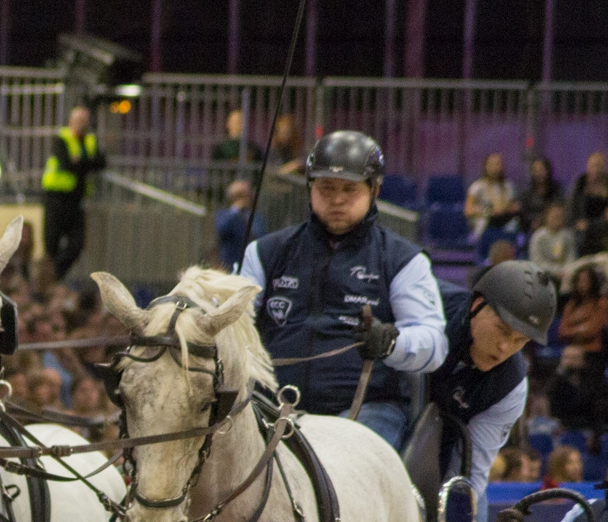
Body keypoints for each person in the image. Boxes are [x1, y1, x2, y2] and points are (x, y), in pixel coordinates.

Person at [241, 130, 447, 448]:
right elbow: (232, 328)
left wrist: (391, 342)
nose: (337, 199)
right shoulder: (263, 253)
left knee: (345, 463)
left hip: (370, 408)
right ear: (310, 188)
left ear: (374, 189)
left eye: (349, 189)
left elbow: (435, 344)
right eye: (326, 188)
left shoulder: (404, 260)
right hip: (271, 404)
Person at [415, 261, 555, 522]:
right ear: (477, 305)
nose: (506, 348)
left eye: (520, 341)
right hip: (397, 432)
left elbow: (470, 477)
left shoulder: (511, 385)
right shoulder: (426, 308)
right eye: (503, 331)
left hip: (451, 457)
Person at [40, 105, 105, 279]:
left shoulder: (90, 141)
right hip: (56, 197)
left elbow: (101, 162)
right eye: (79, 121)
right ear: (71, 122)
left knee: (77, 244)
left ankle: (54, 276)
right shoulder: (62, 139)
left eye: (85, 121)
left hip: (76, 200)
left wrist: (80, 162)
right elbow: (67, 164)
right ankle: (49, 278)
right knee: (51, 245)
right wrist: (86, 163)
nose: (82, 124)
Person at [213, 179, 266, 272]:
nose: (245, 199)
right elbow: (221, 230)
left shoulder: (255, 217)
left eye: (247, 196)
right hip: (229, 263)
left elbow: (259, 235)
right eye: (239, 196)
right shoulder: (223, 214)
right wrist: (236, 210)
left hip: (250, 264)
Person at [558, 265, 608, 356]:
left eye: (585, 281)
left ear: (593, 282)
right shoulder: (572, 304)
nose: (581, 285)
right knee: (569, 354)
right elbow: (562, 331)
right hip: (572, 349)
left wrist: (573, 331)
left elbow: (592, 330)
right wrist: (582, 328)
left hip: (593, 350)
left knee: (571, 356)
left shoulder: (601, 303)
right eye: (579, 281)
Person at [464, 153, 519, 238]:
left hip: (504, 221)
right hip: (485, 221)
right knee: (482, 224)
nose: (494, 168)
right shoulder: (477, 186)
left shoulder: (508, 186)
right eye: (491, 164)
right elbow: (468, 210)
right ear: (485, 167)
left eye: (497, 164)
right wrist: (488, 212)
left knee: (513, 223)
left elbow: (513, 207)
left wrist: (508, 209)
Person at [568, 151, 608, 232]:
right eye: (593, 166)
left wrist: (590, 225)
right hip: (580, 232)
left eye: (599, 166)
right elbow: (570, 210)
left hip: (605, 230)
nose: (596, 169)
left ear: (605, 167)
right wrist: (575, 224)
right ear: (587, 166)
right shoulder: (579, 184)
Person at [528, 202, 576, 276]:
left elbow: (571, 257)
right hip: (543, 274)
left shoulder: (567, 236)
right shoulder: (538, 237)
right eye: (554, 216)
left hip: (565, 274)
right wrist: (556, 271)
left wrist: (565, 270)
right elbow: (537, 261)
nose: (557, 220)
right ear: (546, 217)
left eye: (560, 217)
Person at [518, 156, 562, 232]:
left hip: (553, 227)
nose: (538, 173)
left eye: (541, 169)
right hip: (531, 229)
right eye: (535, 170)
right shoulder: (527, 193)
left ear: (547, 171)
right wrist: (532, 222)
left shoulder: (556, 190)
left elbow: (559, 208)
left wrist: (544, 220)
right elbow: (524, 213)